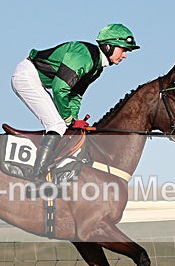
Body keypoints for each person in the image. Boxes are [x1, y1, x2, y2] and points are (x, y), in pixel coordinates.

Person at [11, 23, 140, 182]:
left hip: (37, 81)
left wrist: (73, 120)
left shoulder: (97, 68)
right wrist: (69, 119)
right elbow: (60, 88)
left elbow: (75, 95)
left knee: (64, 127)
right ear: (108, 47)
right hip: (26, 77)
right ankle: (37, 178)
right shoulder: (84, 57)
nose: (125, 55)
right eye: (123, 49)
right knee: (57, 125)